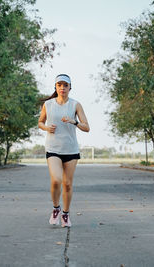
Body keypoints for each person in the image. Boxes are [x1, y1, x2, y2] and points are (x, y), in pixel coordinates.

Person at [38, 74, 90, 227]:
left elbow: (86, 127)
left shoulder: (75, 105)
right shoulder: (48, 105)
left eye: (65, 85)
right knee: (56, 180)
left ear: (69, 88)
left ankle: (65, 215)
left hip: (71, 149)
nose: (62, 88)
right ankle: (56, 209)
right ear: (55, 87)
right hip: (53, 148)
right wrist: (47, 128)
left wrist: (73, 121)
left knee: (67, 184)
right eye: (59, 85)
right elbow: (40, 122)